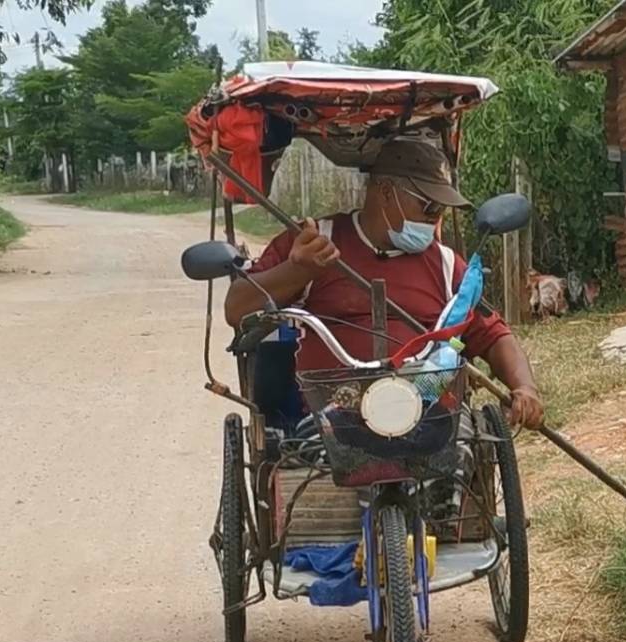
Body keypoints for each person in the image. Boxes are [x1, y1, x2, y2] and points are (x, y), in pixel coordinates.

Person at [224, 137, 545, 430]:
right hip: (331, 422)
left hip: (425, 416)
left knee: (468, 443)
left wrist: (525, 388)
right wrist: (297, 271)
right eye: (429, 205)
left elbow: (493, 335)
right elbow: (237, 310)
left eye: (442, 208)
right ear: (386, 192)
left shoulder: (447, 266)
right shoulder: (314, 243)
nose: (436, 217)